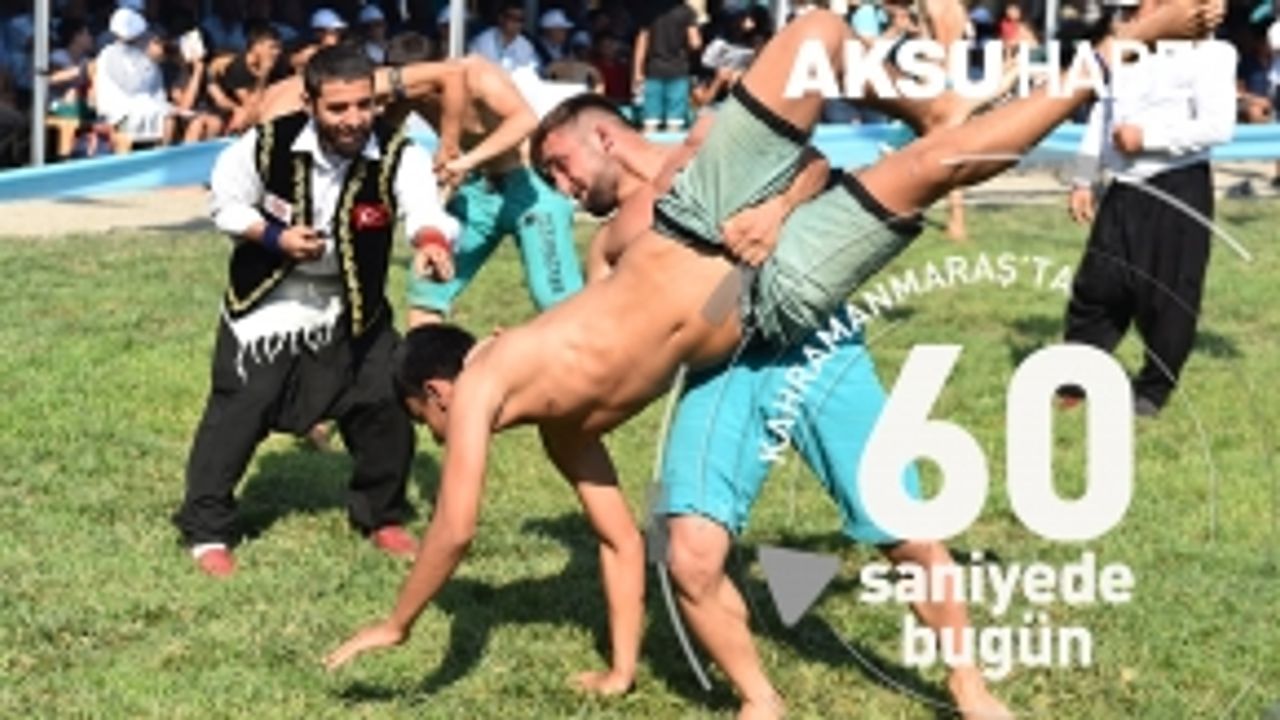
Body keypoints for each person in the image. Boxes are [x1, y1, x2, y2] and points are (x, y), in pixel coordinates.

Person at [322, 3, 1222, 715]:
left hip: (746, 253)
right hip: (751, 322)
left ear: (601, 136)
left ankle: (968, 685)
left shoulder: (694, 153)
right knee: (691, 553)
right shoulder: (597, 272)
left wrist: (776, 210)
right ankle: (762, 699)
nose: (556, 187)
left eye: (557, 165)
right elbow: (617, 530)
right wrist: (622, 669)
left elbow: (458, 524)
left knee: (830, 42)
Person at [172, 44, 460, 578]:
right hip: (269, 302)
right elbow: (225, 203)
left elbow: (424, 207)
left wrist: (431, 241)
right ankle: (206, 529)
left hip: (353, 304)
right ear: (310, 105)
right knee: (242, 406)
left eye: (364, 105)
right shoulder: (265, 144)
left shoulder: (399, 154)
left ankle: (381, 515)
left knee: (385, 401)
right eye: (338, 108)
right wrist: (274, 236)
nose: (354, 119)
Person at [1060, 0, 1236, 417]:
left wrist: (1148, 137)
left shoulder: (1210, 52)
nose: (1132, 14)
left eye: (1141, 7)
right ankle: (1076, 380)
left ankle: (1153, 391)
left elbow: (1218, 126)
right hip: (1123, 186)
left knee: (1169, 296)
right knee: (1097, 287)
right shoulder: (1121, 47)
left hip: (1178, 185)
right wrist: (1083, 179)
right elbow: (1100, 114)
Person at [387, 51, 585, 329]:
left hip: (529, 190)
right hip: (476, 192)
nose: (413, 92)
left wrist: (467, 160)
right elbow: (385, 136)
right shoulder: (407, 91)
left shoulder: (478, 74)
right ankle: (423, 355)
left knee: (557, 300)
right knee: (428, 286)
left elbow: (525, 120)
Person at [95, 7, 176, 148]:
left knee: (170, 116)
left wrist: (153, 61)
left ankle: (162, 156)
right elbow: (131, 87)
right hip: (117, 112)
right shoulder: (109, 54)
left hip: (141, 108)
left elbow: (156, 92)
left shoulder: (142, 55)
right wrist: (149, 62)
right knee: (165, 117)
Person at [633, 1, 702, 132]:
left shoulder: (650, 10)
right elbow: (695, 43)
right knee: (674, 122)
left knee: (650, 121)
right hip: (678, 71)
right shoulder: (687, 11)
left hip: (654, 69)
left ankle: (649, 143)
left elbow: (642, 42)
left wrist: (637, 71)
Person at [468, 1, 540, 74]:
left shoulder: (526, 46)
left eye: (520, 20)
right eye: (512, 18)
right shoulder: (483, 42)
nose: (517, 23)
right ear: (501, 18)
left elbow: (532, 71)